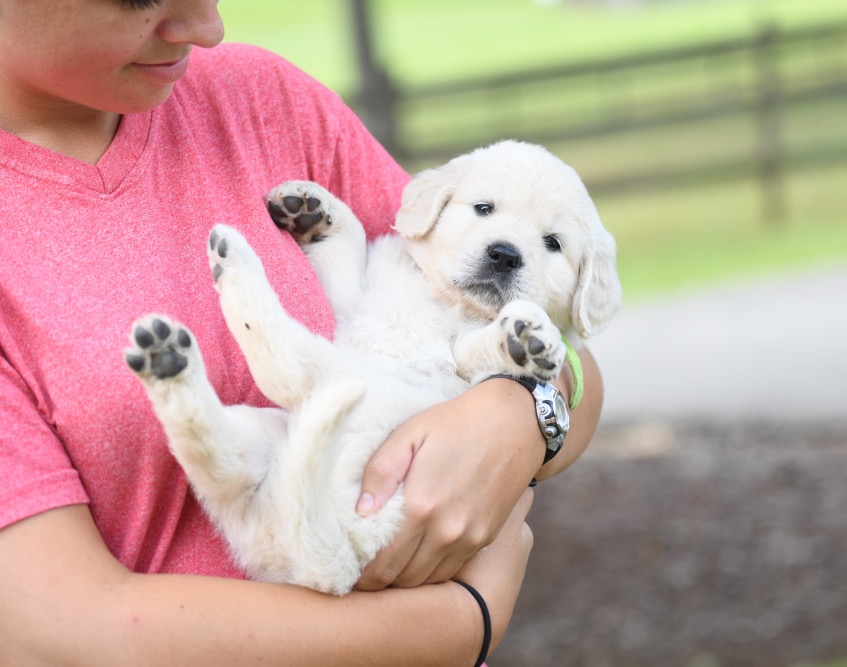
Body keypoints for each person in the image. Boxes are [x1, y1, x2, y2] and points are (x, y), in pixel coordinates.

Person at [0, 1, 605, 665]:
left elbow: (568, 365)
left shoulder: (262, 103)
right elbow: (73, 632)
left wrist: (521, 415)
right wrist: (463, 621)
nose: (208, 28)